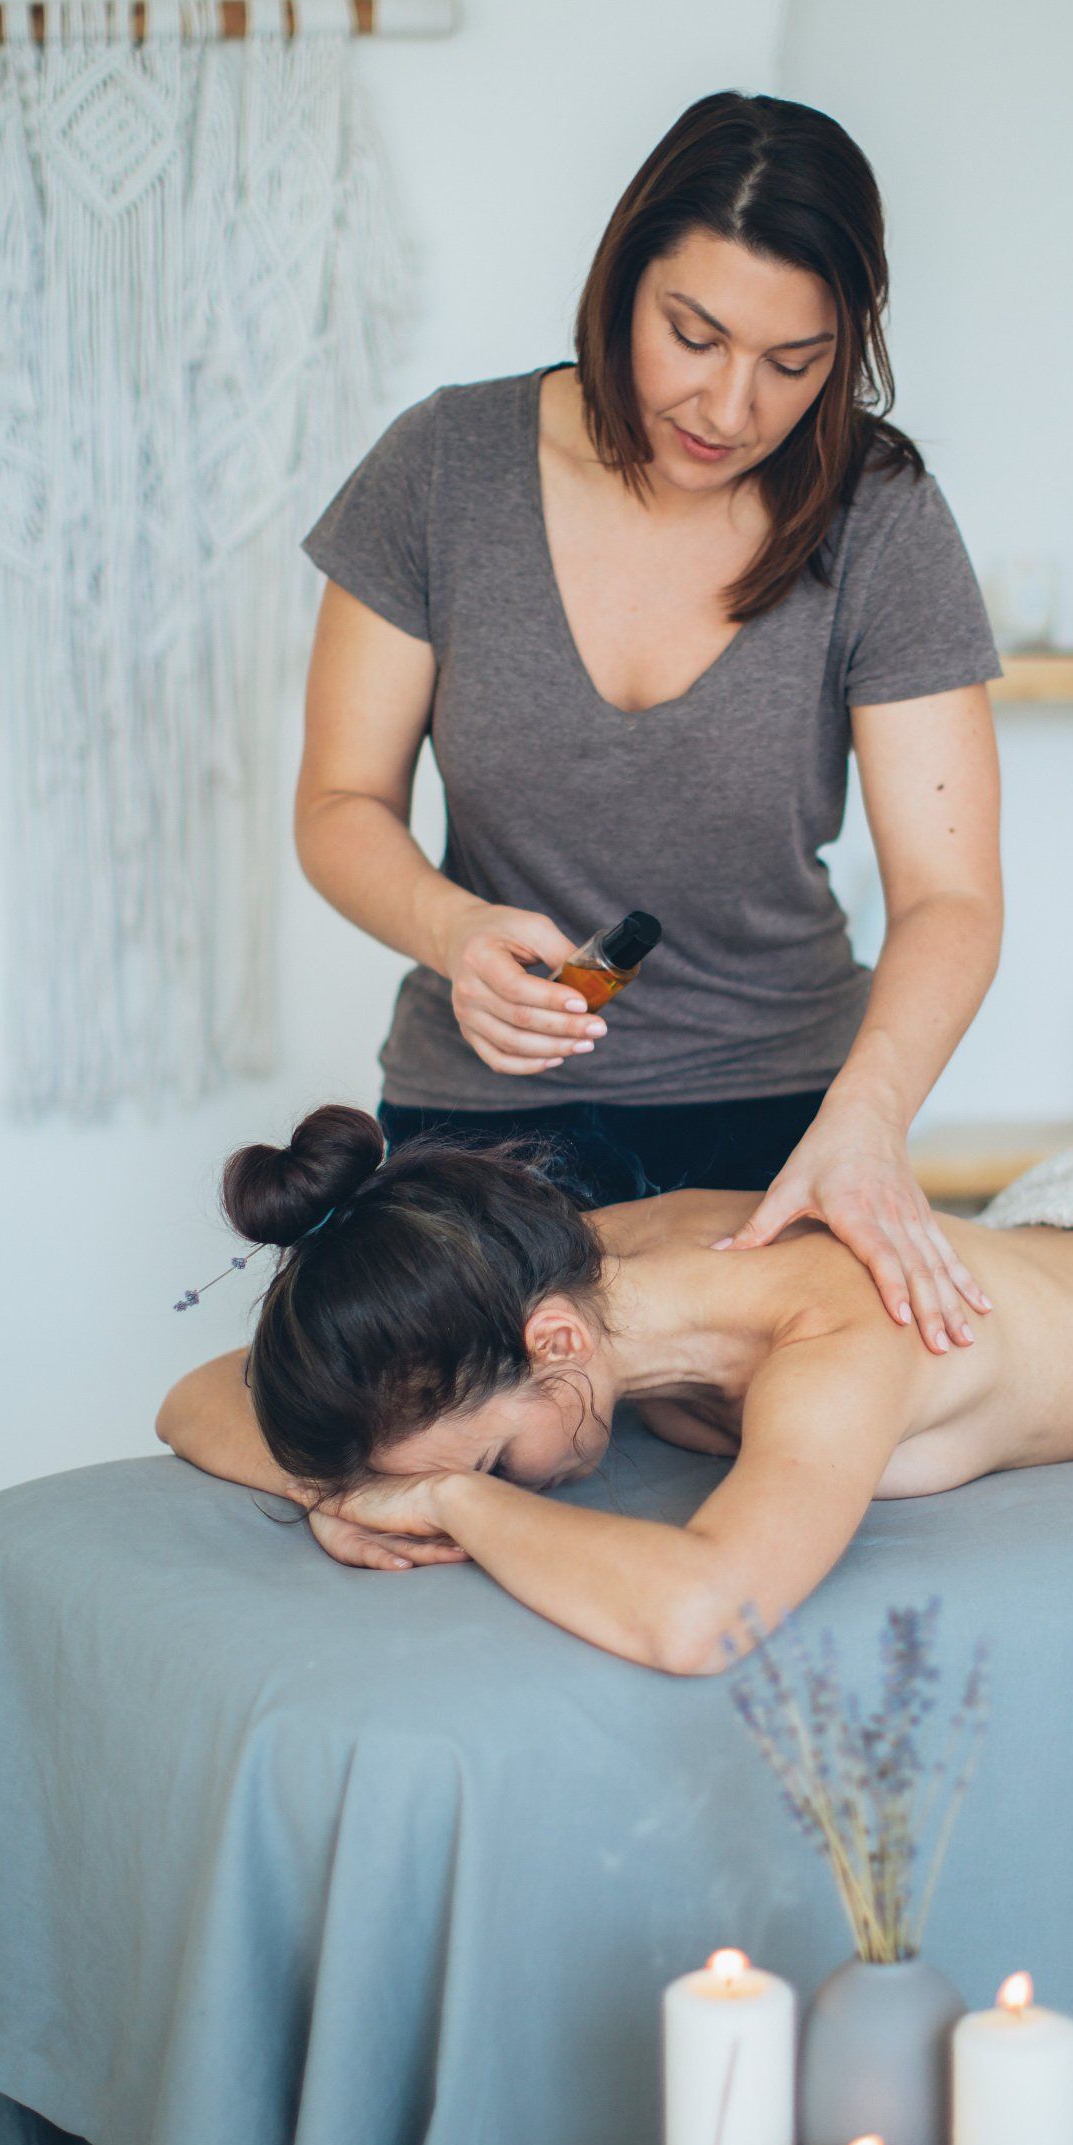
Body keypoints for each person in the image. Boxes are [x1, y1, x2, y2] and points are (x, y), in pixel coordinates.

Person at [294, 90, 1004, 1357]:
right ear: (622, 282)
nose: (733, 409)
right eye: (695, 336)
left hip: (793, 1121)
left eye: (796, 364)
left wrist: (869, 1118)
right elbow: (340, 805)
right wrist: (453, 931)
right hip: (479, 1128)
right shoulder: (444, 468)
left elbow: (950, 894)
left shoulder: (880, 513)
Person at [157, 1106, 1073, 1675]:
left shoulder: (837, 1332)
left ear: (552, 1347)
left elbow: (704, 1616)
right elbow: (196, 1396)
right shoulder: (559, 1282)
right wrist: (341, 1489)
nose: (499, 1484)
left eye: (496, 1457)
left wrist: (451, 1503)